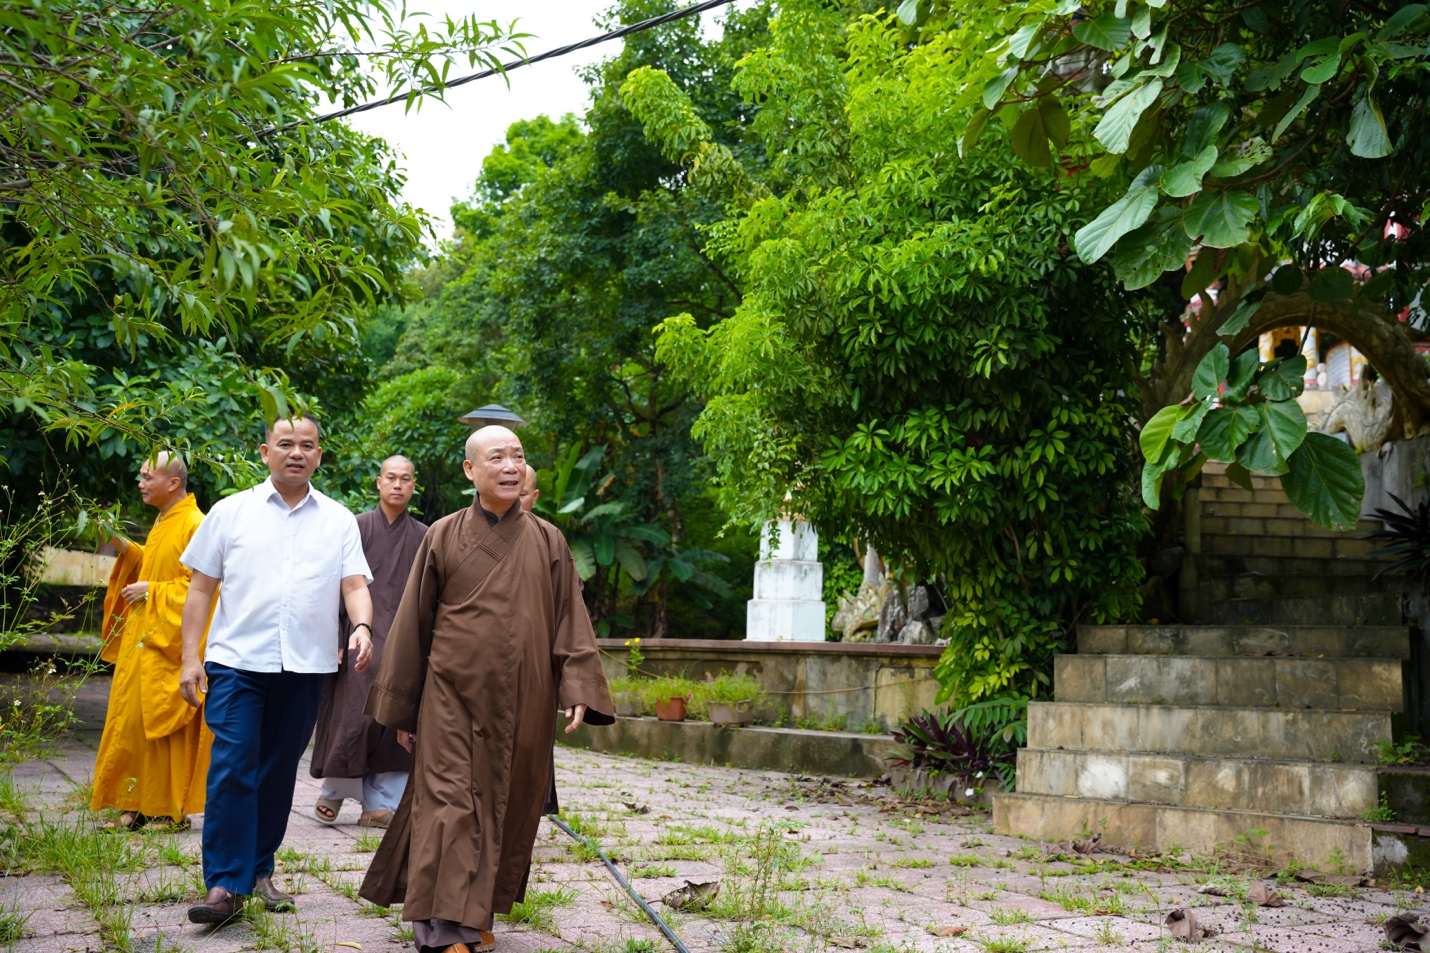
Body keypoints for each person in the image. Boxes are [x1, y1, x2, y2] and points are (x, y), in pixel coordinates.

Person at [360, 426, 614, 953]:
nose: (510, 465)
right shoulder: (444, 535)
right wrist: (406, 708)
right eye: (496, 456)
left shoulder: (548, 539)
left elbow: (571, 617)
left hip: (527, 700)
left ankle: (461, 917)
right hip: (450, 694)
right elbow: (413, 622)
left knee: (503, 805)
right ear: (470, 471)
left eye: (517, 456)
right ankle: (448, 928)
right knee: (451, 803)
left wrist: (578, 683)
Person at [178, 414, 376, 924]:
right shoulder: (230, 512)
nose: (296, 452)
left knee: (276, 772)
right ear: (265, 452)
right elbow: (200, 588)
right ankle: (224, 883)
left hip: (306, 667)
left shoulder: (338, 520)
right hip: (237, 662)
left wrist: (362, 627)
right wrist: (188, 658)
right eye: (284, 443)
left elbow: (354, 584)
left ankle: (258, 870)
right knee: (233, 766)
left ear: (319, 456)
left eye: (306, 445)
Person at [91, 452, 213, 831]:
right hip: (143, 638)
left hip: (171, 645)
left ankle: (168, 810)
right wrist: (127, 549)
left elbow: (204, 587)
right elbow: (157, 566)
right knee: (131, 724)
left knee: (164, 725)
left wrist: (154, 591)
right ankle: (134, 803)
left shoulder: (195, 523)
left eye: (148, 477)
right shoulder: (165, 519)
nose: (141, 482)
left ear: (173, 483)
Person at [311, 455, 427, 828]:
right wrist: (338, 634)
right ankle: (334, 790)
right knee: (355, 716)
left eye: (405, 479)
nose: (398, 485)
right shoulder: (355, 527)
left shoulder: (425, 536)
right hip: (359, 636)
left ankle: (378, 804)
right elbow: (333, 585)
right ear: (378, 482)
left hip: (403, 642)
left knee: (393, 719)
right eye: (391, 478)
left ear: (413, 486)